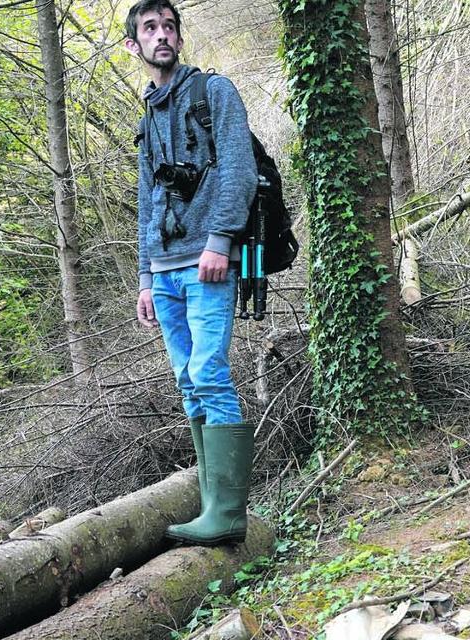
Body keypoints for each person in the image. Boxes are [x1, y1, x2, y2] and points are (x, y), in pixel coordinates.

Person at [125, 0, 257, 544]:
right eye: (150, 29)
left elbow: (239, 169)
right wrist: (144, 277)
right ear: (134, 45)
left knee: (208, 373)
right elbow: (146, 200)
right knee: (187, 382)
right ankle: (210, 506)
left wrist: (220, 240)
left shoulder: (213, 92)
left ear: (179, 38)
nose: (162, 36)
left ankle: (228, 516)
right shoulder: (148, 116)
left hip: (207, 263)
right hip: (166, 272)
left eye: (169, 27)